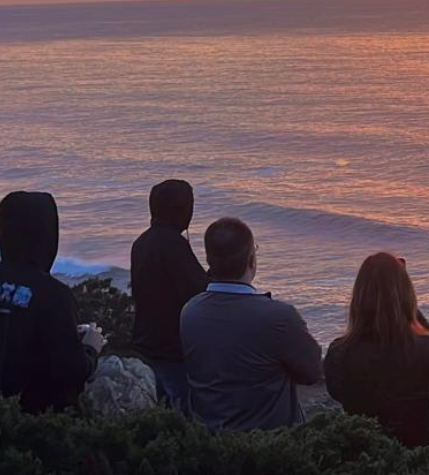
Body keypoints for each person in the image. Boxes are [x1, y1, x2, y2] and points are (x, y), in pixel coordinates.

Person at [0, 191, 105, 412]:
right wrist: (91, 348)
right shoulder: (53, 294)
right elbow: (72, 371)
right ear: (46, 234)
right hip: (42, 425)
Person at [180, 217, 322, 431]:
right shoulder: (278, 317)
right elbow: (312, 372)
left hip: (210, 436)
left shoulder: (190, 312)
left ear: (209, 260)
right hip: (269, 442)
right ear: (251, 260)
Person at [324, 252, 429, 448]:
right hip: (419, 458)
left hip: (366, 456)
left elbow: (337, 393)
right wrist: (412, 315)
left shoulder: (338, 353)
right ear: (405, 295)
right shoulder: (425, 349)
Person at [130, 179, 208, 409]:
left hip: (146, 341)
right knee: (183, 415)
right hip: (171, 350)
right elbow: (198, 294)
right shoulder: (173, 245)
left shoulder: (142, 242)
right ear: (182, 210)